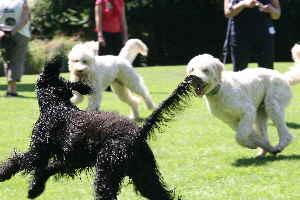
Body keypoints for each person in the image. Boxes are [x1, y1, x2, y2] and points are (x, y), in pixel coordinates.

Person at [223, 0, 281, 71]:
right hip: (240, 35)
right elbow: (228, 13)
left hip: (264, 35)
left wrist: (270, 9)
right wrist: (243, 4)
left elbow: (277, 15)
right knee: (239, 72)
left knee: (267, 71)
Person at [0, 0, 31, 97]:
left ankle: (10, 89)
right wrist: (13, 32)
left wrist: (3, 32)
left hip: (3, 34)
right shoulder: (23, 2)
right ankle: (12, 91)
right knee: (16, 61)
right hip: (20, 34)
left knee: (8, 62)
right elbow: (25, 20)